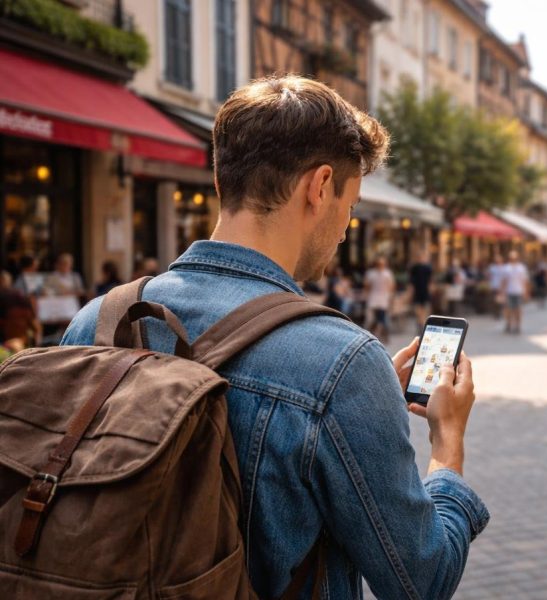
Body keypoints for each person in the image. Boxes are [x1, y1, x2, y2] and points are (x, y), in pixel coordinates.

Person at [61, 75, 486, 600]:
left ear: (222, 181)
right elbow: (421, 580)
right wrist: (447, 448)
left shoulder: (97, 321)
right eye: (350, 206)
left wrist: (361, 410)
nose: (346, 229)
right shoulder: (342, 361)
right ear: (320, 185)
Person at [365, 256, 395, 342]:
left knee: (381, 317)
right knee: (375, 318)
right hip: (374, 298)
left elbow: (391, 286)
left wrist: (389, 297)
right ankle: (379, 335)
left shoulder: (387, 274)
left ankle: (380, 335)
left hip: (383, 299)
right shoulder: (371, 273)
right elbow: (367, 286)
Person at [501, 251, 529, 334]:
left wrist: (526, 292)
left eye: (515, 258)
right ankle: (508, 324)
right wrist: (502, 292)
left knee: (518, 310)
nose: (513, 259)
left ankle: (518, 326)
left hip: (518, 292)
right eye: (512, 258)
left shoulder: (521, 268)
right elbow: (504, 281)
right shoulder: (506, 268)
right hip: (509, 292)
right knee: (508, 310)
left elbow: (524, 281)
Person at [409, 251, 433, 328]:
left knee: (425, 308)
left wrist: (430, 289)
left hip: (424, 290)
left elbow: (430, 280)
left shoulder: (427, 268)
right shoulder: (414, 268)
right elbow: (411, 282)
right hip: (418, 290)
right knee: (418, 308)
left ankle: (423, 323)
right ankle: (421, 322)